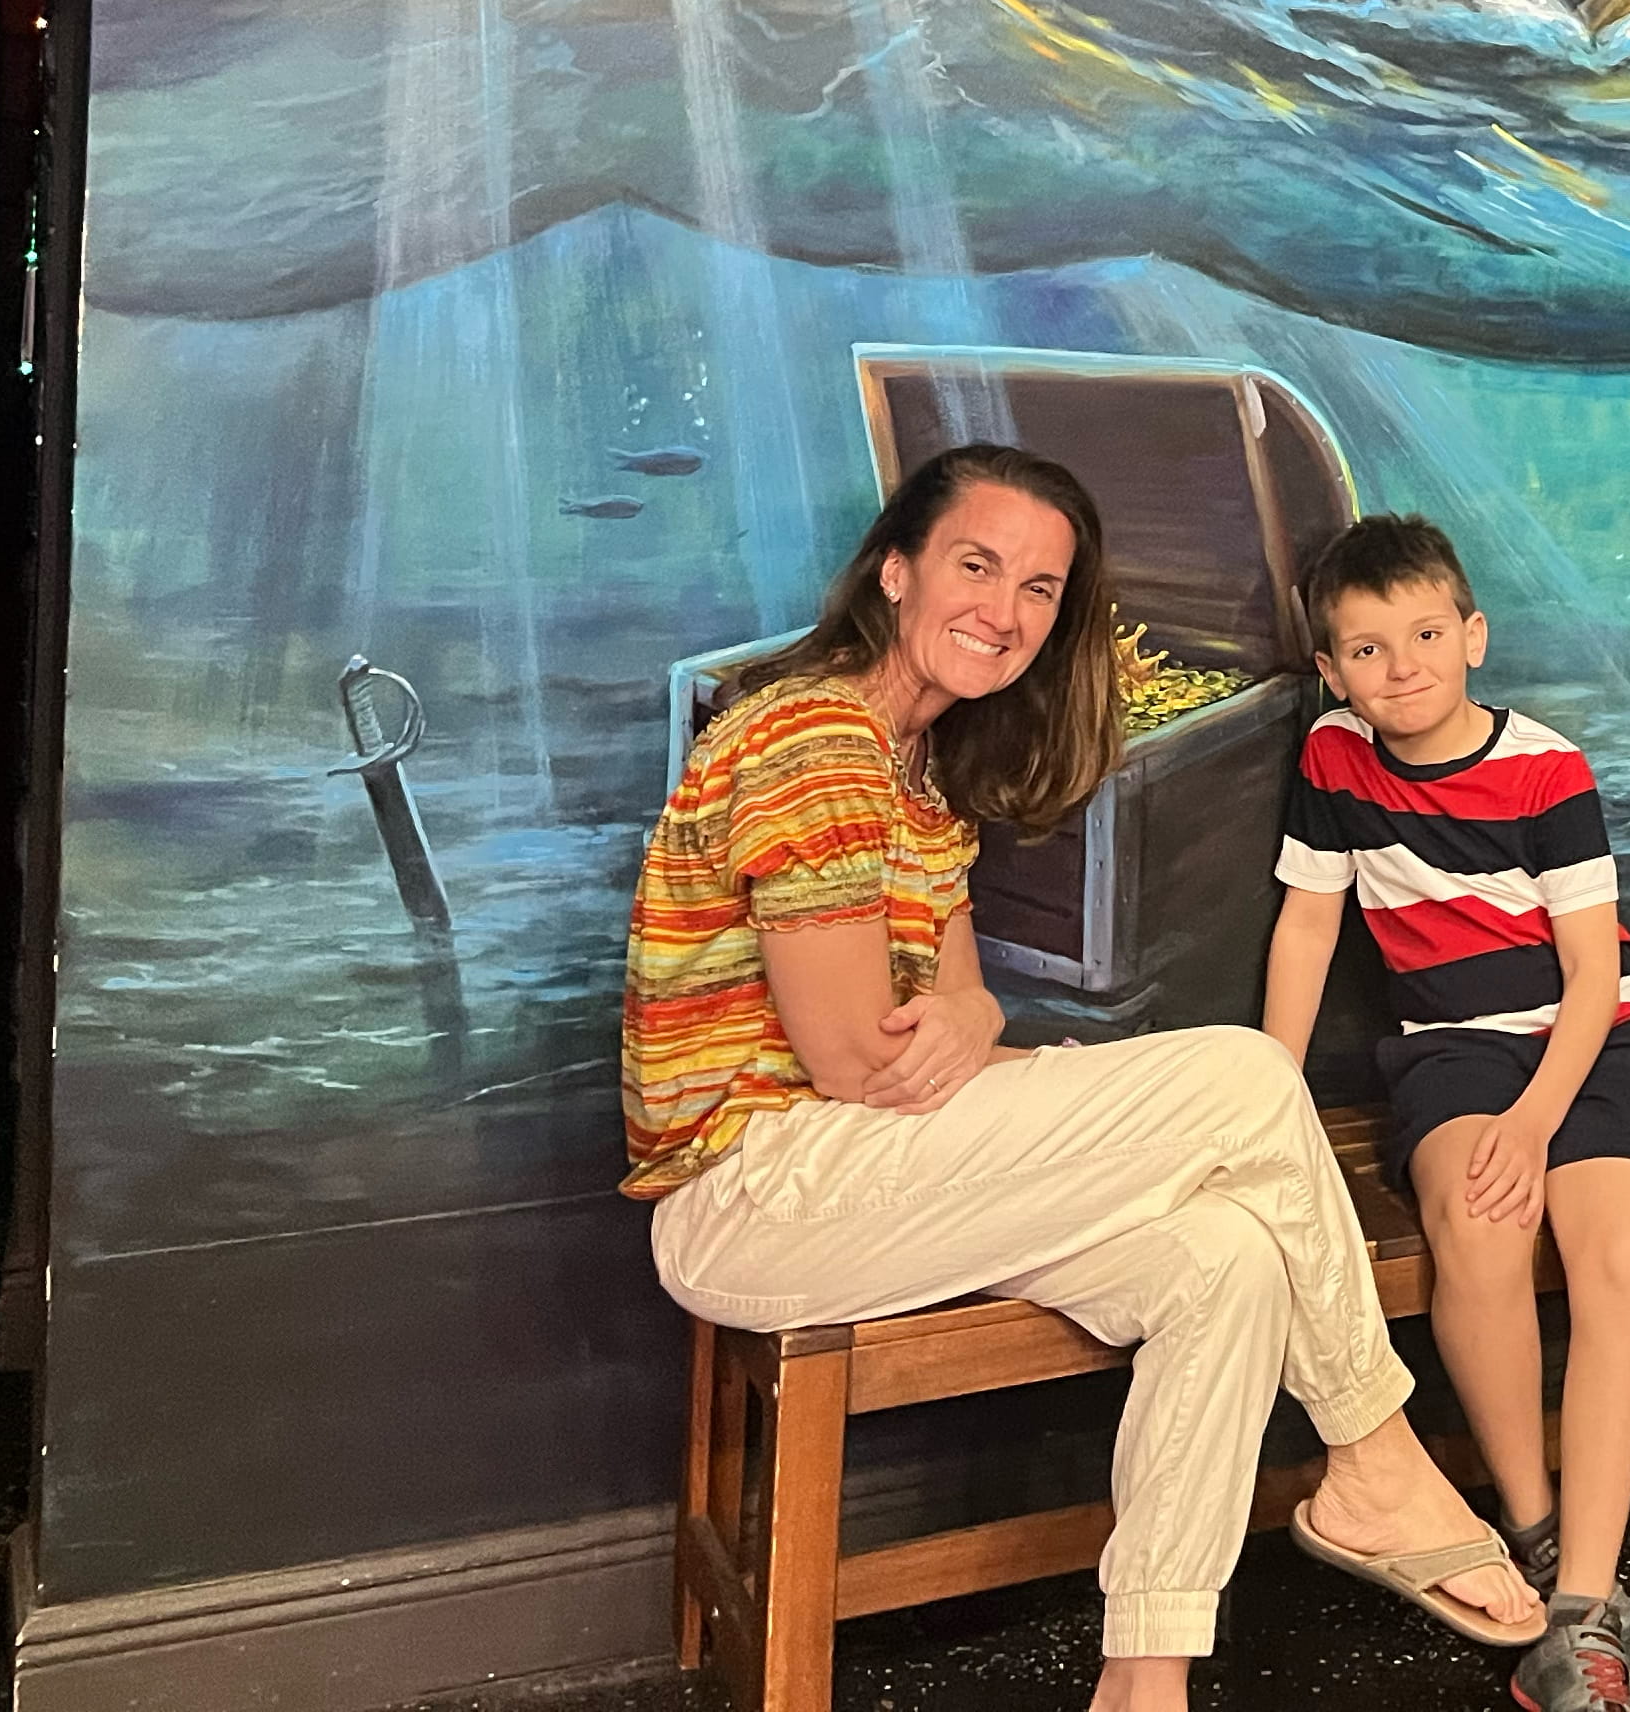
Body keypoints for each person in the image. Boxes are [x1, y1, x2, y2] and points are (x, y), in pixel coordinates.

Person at [620, 444, 1541, 1711]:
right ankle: (1376, 1459)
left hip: (871, 1175)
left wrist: (978, 1014)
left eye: (1040, 589)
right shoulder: (811, 737)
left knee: (1228, 1255)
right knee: (1246, 1080)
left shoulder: (918, 774)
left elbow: (954, 1034)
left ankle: (1143, 1680)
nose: (1004, 611)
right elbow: (858, 1059)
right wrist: (972, 1020)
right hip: (755, 1192)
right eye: (976, 566)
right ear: (894, 571)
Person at [1265, 516, 1630, 1712]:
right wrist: (1267, 1095)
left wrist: (1538, 1120)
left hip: (1594, 1038)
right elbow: (1308, 926)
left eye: (1426, 636)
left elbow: (1593, 977)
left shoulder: (1550, 770)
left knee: (1616, 1258)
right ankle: (1537, 1535)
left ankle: (1588, 1600)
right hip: (1450, 1049)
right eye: (1368, 649)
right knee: (1479, 1227)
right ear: (1332, 670)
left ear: (1474, 637)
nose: (1402, 668)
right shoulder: (1334, 758)